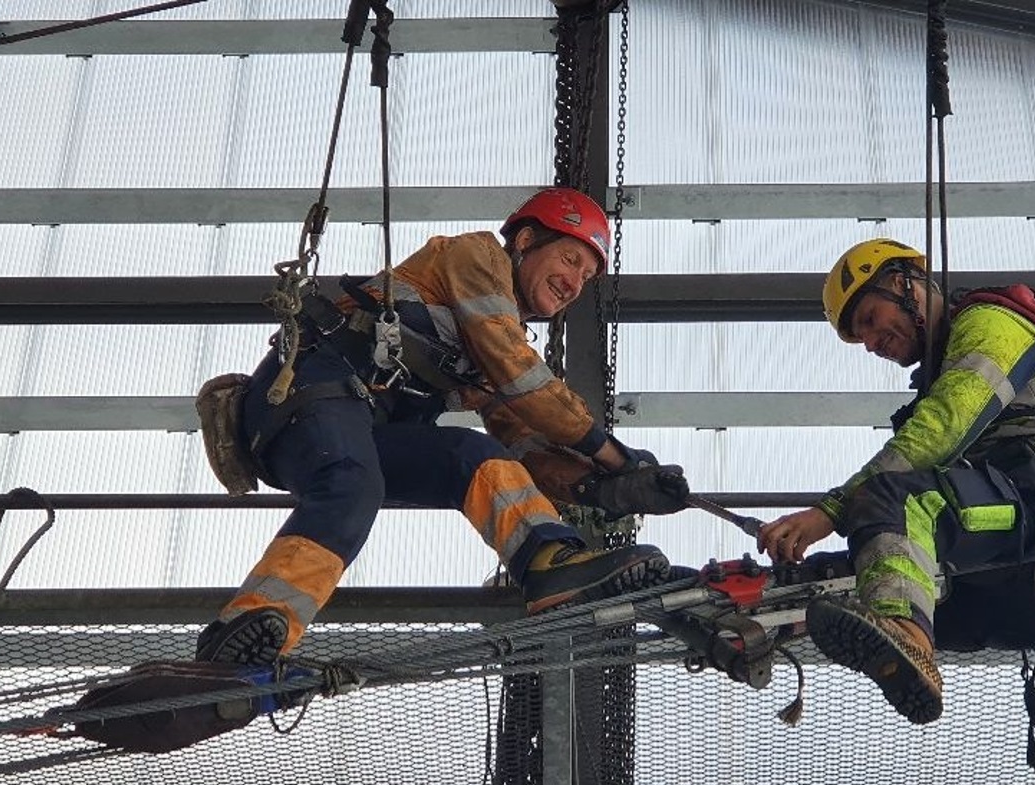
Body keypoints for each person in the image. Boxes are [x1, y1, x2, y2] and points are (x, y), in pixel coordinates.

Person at [196, 187, 688, 666]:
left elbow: (525, 441)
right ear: (524, 242)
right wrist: (615, 456)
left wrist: (607, 490)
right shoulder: (475, 258)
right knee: (351, 485)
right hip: (307, 394)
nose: (574, 283)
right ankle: (248, 630)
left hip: (361, 427)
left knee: (475, 459)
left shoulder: (493, 339)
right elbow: (524, 379)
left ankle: (548, 563)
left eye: (586, 276)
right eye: (569, 259)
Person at [758, 237, 1035, 724]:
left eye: (871, 320)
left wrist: (830, 511)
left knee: (891, 500)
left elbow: (946, 424)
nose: (872, 343)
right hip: (1008, 582)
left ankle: (910, 642)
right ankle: (770, 624)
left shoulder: (990, 325)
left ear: (906, 284)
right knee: (870, 562)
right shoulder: (940, 371)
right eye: (862, 339)